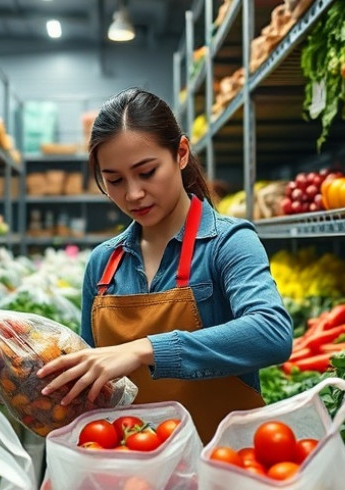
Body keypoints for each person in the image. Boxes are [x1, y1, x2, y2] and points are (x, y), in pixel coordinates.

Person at [33, 88, 294, 441]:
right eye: (115, 180)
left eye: (147, 171)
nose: (133, 193)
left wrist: (145, 349)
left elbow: (271, 333)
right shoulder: (102, 264)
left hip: (223, 462)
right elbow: (88, 391)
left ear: (181, 154)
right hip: (132, 463)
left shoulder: (227, 242)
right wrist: (15, 387)